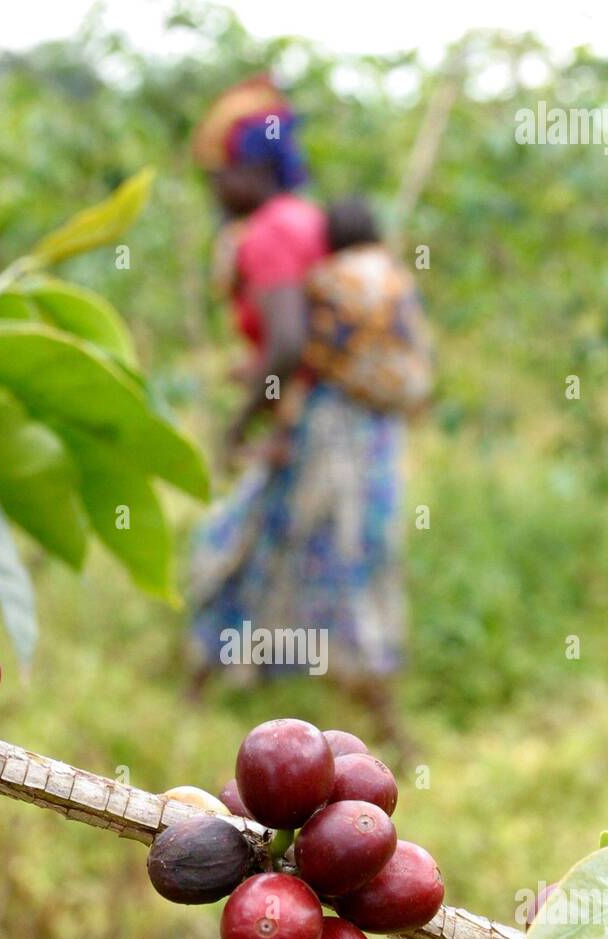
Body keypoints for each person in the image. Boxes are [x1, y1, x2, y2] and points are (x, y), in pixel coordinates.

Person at [188, 76, 423, 746]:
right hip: (339, 421)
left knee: (295, 553)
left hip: (326, 428)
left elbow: (289, 343)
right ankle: (208, 686)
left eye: (219, 173)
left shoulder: (269, 232)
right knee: (268, 542)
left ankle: (387, 727)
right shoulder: (304, 219)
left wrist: (240, 423)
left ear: (252, 171)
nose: (213, 189)